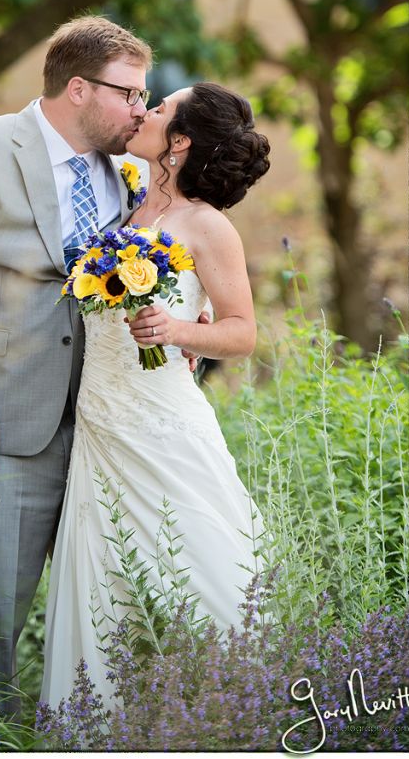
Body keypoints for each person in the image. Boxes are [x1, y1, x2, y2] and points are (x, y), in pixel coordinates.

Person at [0, 16, 158, 717]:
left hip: (106, 432)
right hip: (7, 425)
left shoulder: (128, 177)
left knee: (104, 618)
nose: (142, 108)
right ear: (78, 87)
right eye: (130, 93)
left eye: (146, 95)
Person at [40, 82, 271, 709]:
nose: (145, 110)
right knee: (107, 582)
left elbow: (243, 332)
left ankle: (239, 711)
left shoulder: (207, 226)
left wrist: (174, 329)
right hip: (100, 422)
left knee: (198, 572)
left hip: (161, 424)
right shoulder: (125, 204)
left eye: (161, 107)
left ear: (180, 142)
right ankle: (108, 726)